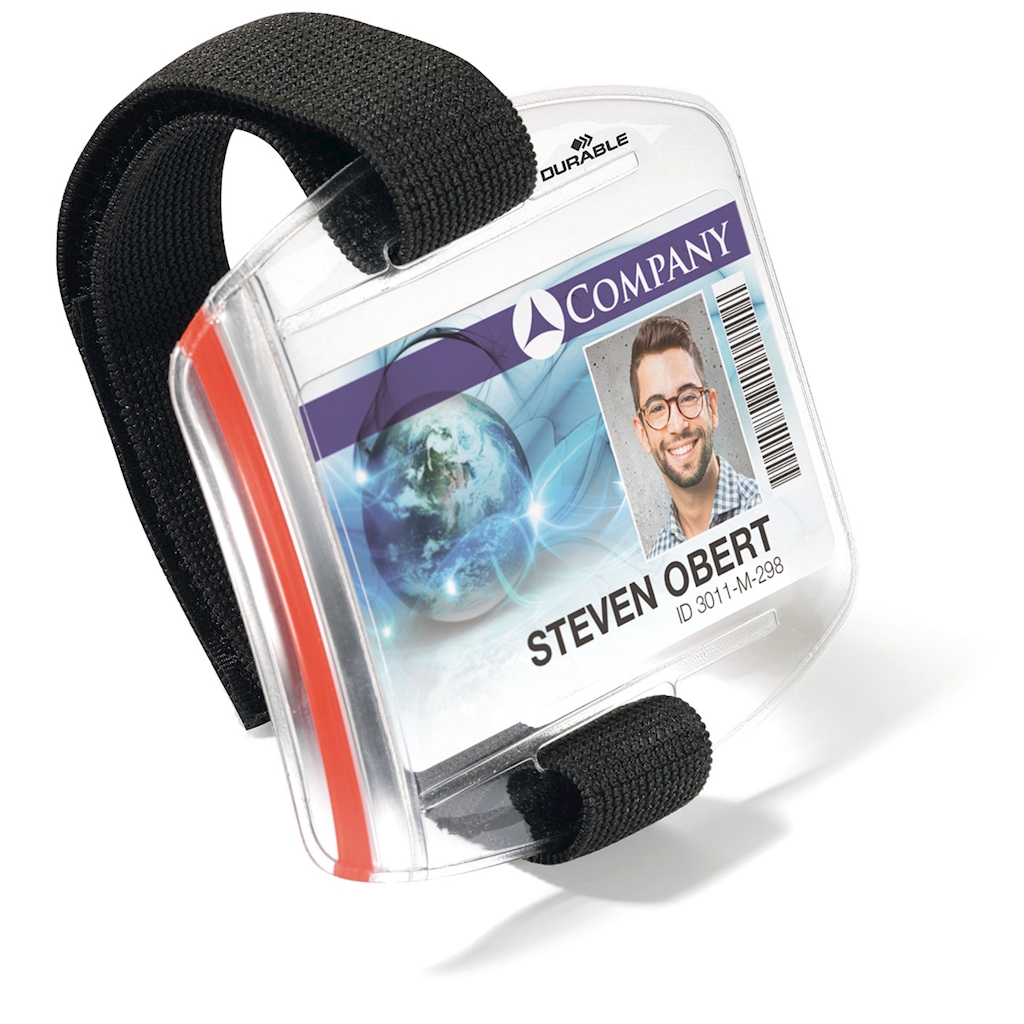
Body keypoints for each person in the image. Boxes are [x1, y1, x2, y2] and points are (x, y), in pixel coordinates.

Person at [630, 315, 760, 558]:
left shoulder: (765, 504)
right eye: (657, 408)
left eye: (688, 397)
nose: (678, 425)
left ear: (712, 408)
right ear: (642, 434)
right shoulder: (658, 560)